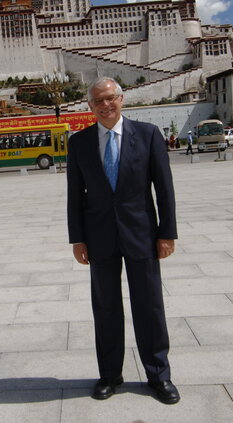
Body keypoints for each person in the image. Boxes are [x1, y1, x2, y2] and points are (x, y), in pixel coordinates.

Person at [67, 76, 180, 404]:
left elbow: (164, 188)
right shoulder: (79, 143)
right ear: (90, 107)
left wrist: (167, 233)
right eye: (98, 101)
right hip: (99, 236)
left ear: (122, 99)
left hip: (142, 233)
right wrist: (78, 239)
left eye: (110, 98)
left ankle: (159, 374)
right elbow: (75, 195)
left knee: (149, 305)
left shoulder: (147, 135)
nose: (105, 105)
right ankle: (110, 375)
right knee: (105, 307)